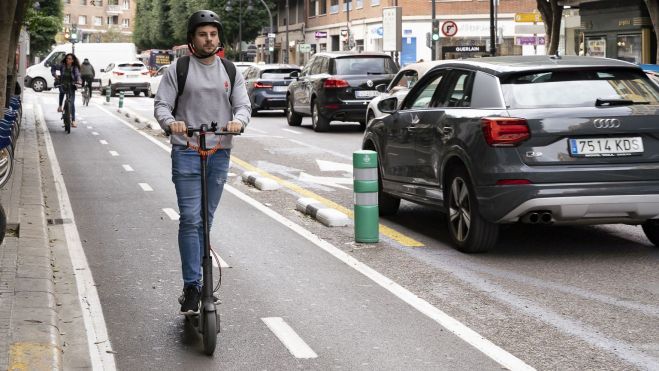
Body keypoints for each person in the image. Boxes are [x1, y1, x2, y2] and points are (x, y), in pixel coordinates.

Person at [154, 10, 251, 315]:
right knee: (191, 219)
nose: (209, 40)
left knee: (205, 221)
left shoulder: (230, 70)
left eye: (213, 34)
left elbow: (243, 106)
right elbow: (162, 106)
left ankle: (199, 282)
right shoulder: (178, 70)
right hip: (186, 150)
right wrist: (172, 123)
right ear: (192, 38)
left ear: (218, 37)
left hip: (219, 151)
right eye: (202, 34)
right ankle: (192, 285)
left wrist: (238, 121)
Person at [51, 53, 82, 127]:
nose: (68, 60)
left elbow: (77, 74)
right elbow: (53, 67)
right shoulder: (62, 65)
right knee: (61, 92)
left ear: (72, 60)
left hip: (71, 85)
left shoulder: (74, 67)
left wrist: (79, 80)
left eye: (70, 59)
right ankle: (60, 106)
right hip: (63, 84)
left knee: (72, 103)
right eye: (67, 58)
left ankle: (73, 120)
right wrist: (55, 75)